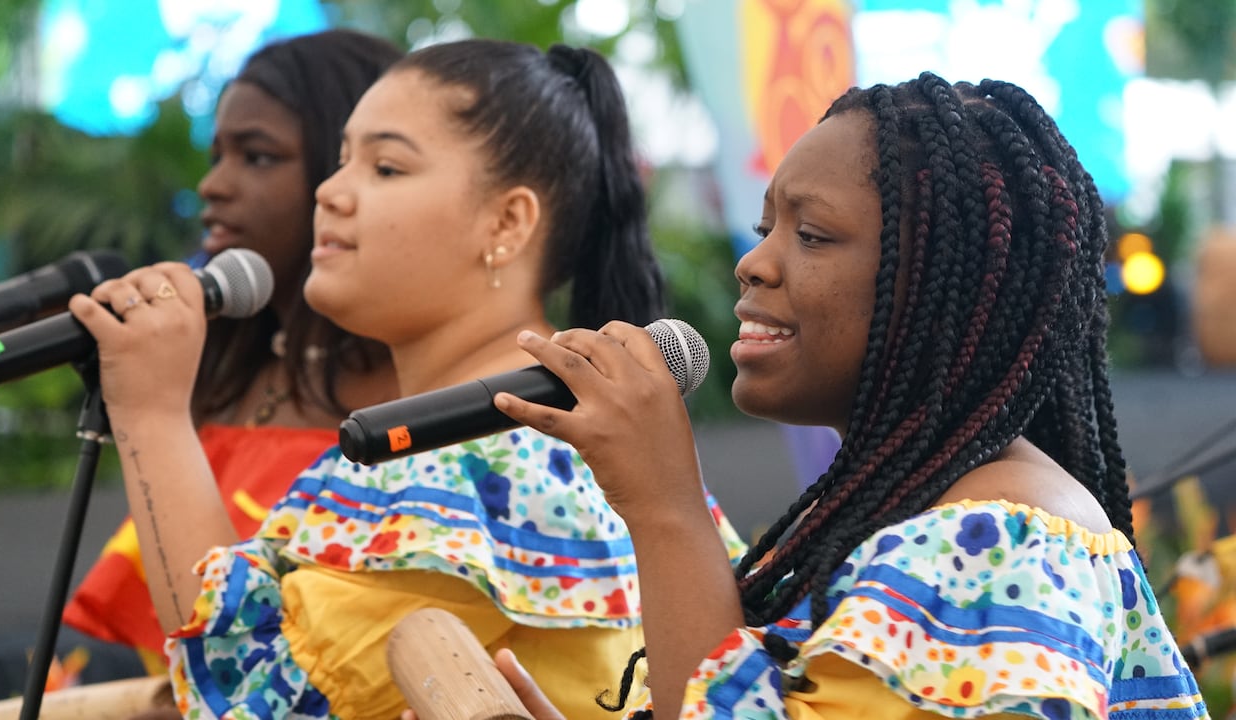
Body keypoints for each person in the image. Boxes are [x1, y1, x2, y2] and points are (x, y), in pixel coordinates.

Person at [490, 72, 1208, 718]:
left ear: (942, 288)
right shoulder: (910, 524)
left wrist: (665, 505)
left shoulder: (1006, 540)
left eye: (810, 233)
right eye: (763, 228)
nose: (752, 263)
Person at [68, 39, 746, 719]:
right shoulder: (503, 439)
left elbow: (256, 702)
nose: (331, 192)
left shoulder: (491, 460)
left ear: (507, 222)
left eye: (387, 167)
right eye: (340, 162)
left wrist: (152, 413)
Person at [61, 29, 404, 671]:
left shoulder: (415, 401)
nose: (214, 184)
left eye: (258, 156)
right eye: (218, 154)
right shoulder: (229, 373)